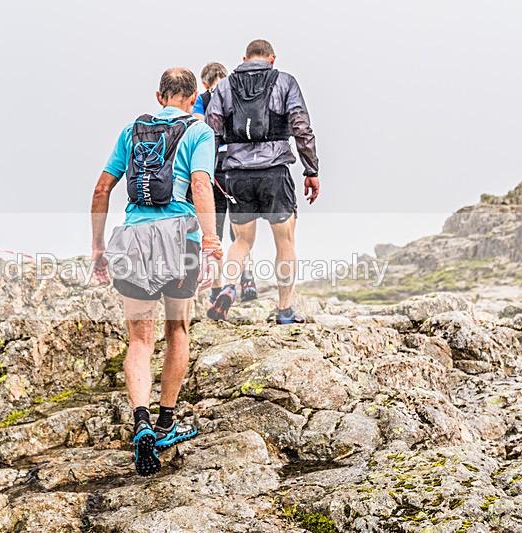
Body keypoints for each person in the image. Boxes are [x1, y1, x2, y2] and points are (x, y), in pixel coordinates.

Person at [91, 68, 220, 476]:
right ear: (193, 96)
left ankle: (141, 422)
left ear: (160, 95)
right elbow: (200, 186)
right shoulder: (200, 132)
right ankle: (166, 423)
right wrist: (213, 243)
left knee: (139, 339)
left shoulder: (132, 131)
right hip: (180, 237)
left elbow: (101, 189)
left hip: (131, 239)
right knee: (177, 329)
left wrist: (98, 247)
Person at [206, 39, 320, 324]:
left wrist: (211, 172)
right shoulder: (285, 81)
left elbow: (211, 133)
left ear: (244, 58)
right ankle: (284, 311)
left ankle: (229, 286)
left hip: (236, 174)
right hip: (274, 172)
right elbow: (301, 126)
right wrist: (311, 169)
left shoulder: (223, 87)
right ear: (273, 59)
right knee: (285, 241)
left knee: (242, 239)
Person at [192, 62, 258, 304]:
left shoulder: (203, 99)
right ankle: (247, 279)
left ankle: (217, 288)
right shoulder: (238, 96)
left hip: (214, 168)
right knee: (242, 232)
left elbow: (197, 123)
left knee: (216, 230)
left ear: (205, 83)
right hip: (240, 167)